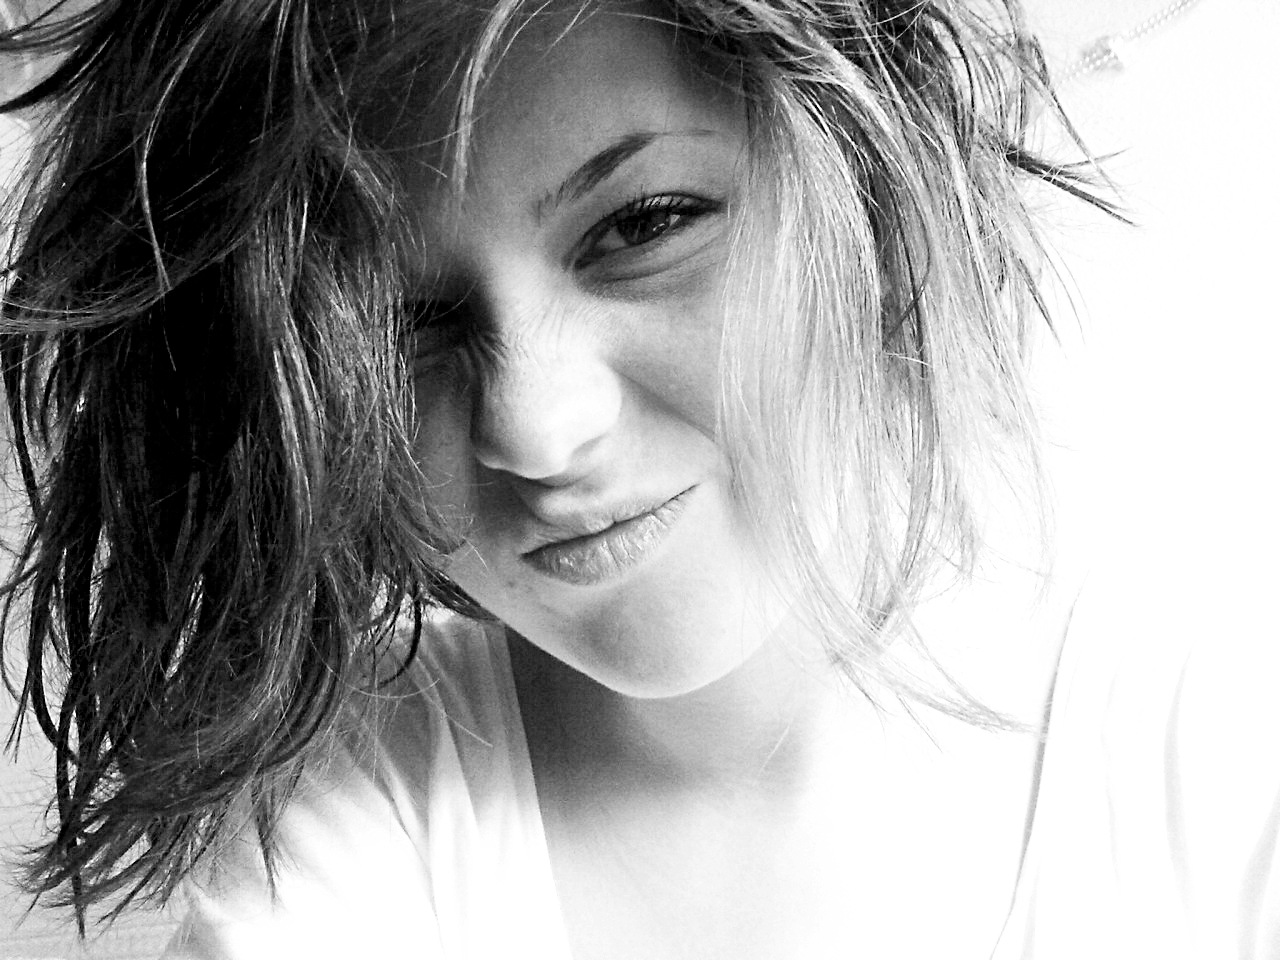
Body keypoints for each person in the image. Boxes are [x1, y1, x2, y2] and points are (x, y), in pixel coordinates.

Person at [0, 0, 1276, 957]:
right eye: (396, 326)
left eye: (643, 225)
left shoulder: (1212, 722)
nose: (536, 431)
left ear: (866, 172)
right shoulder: (356, 819)